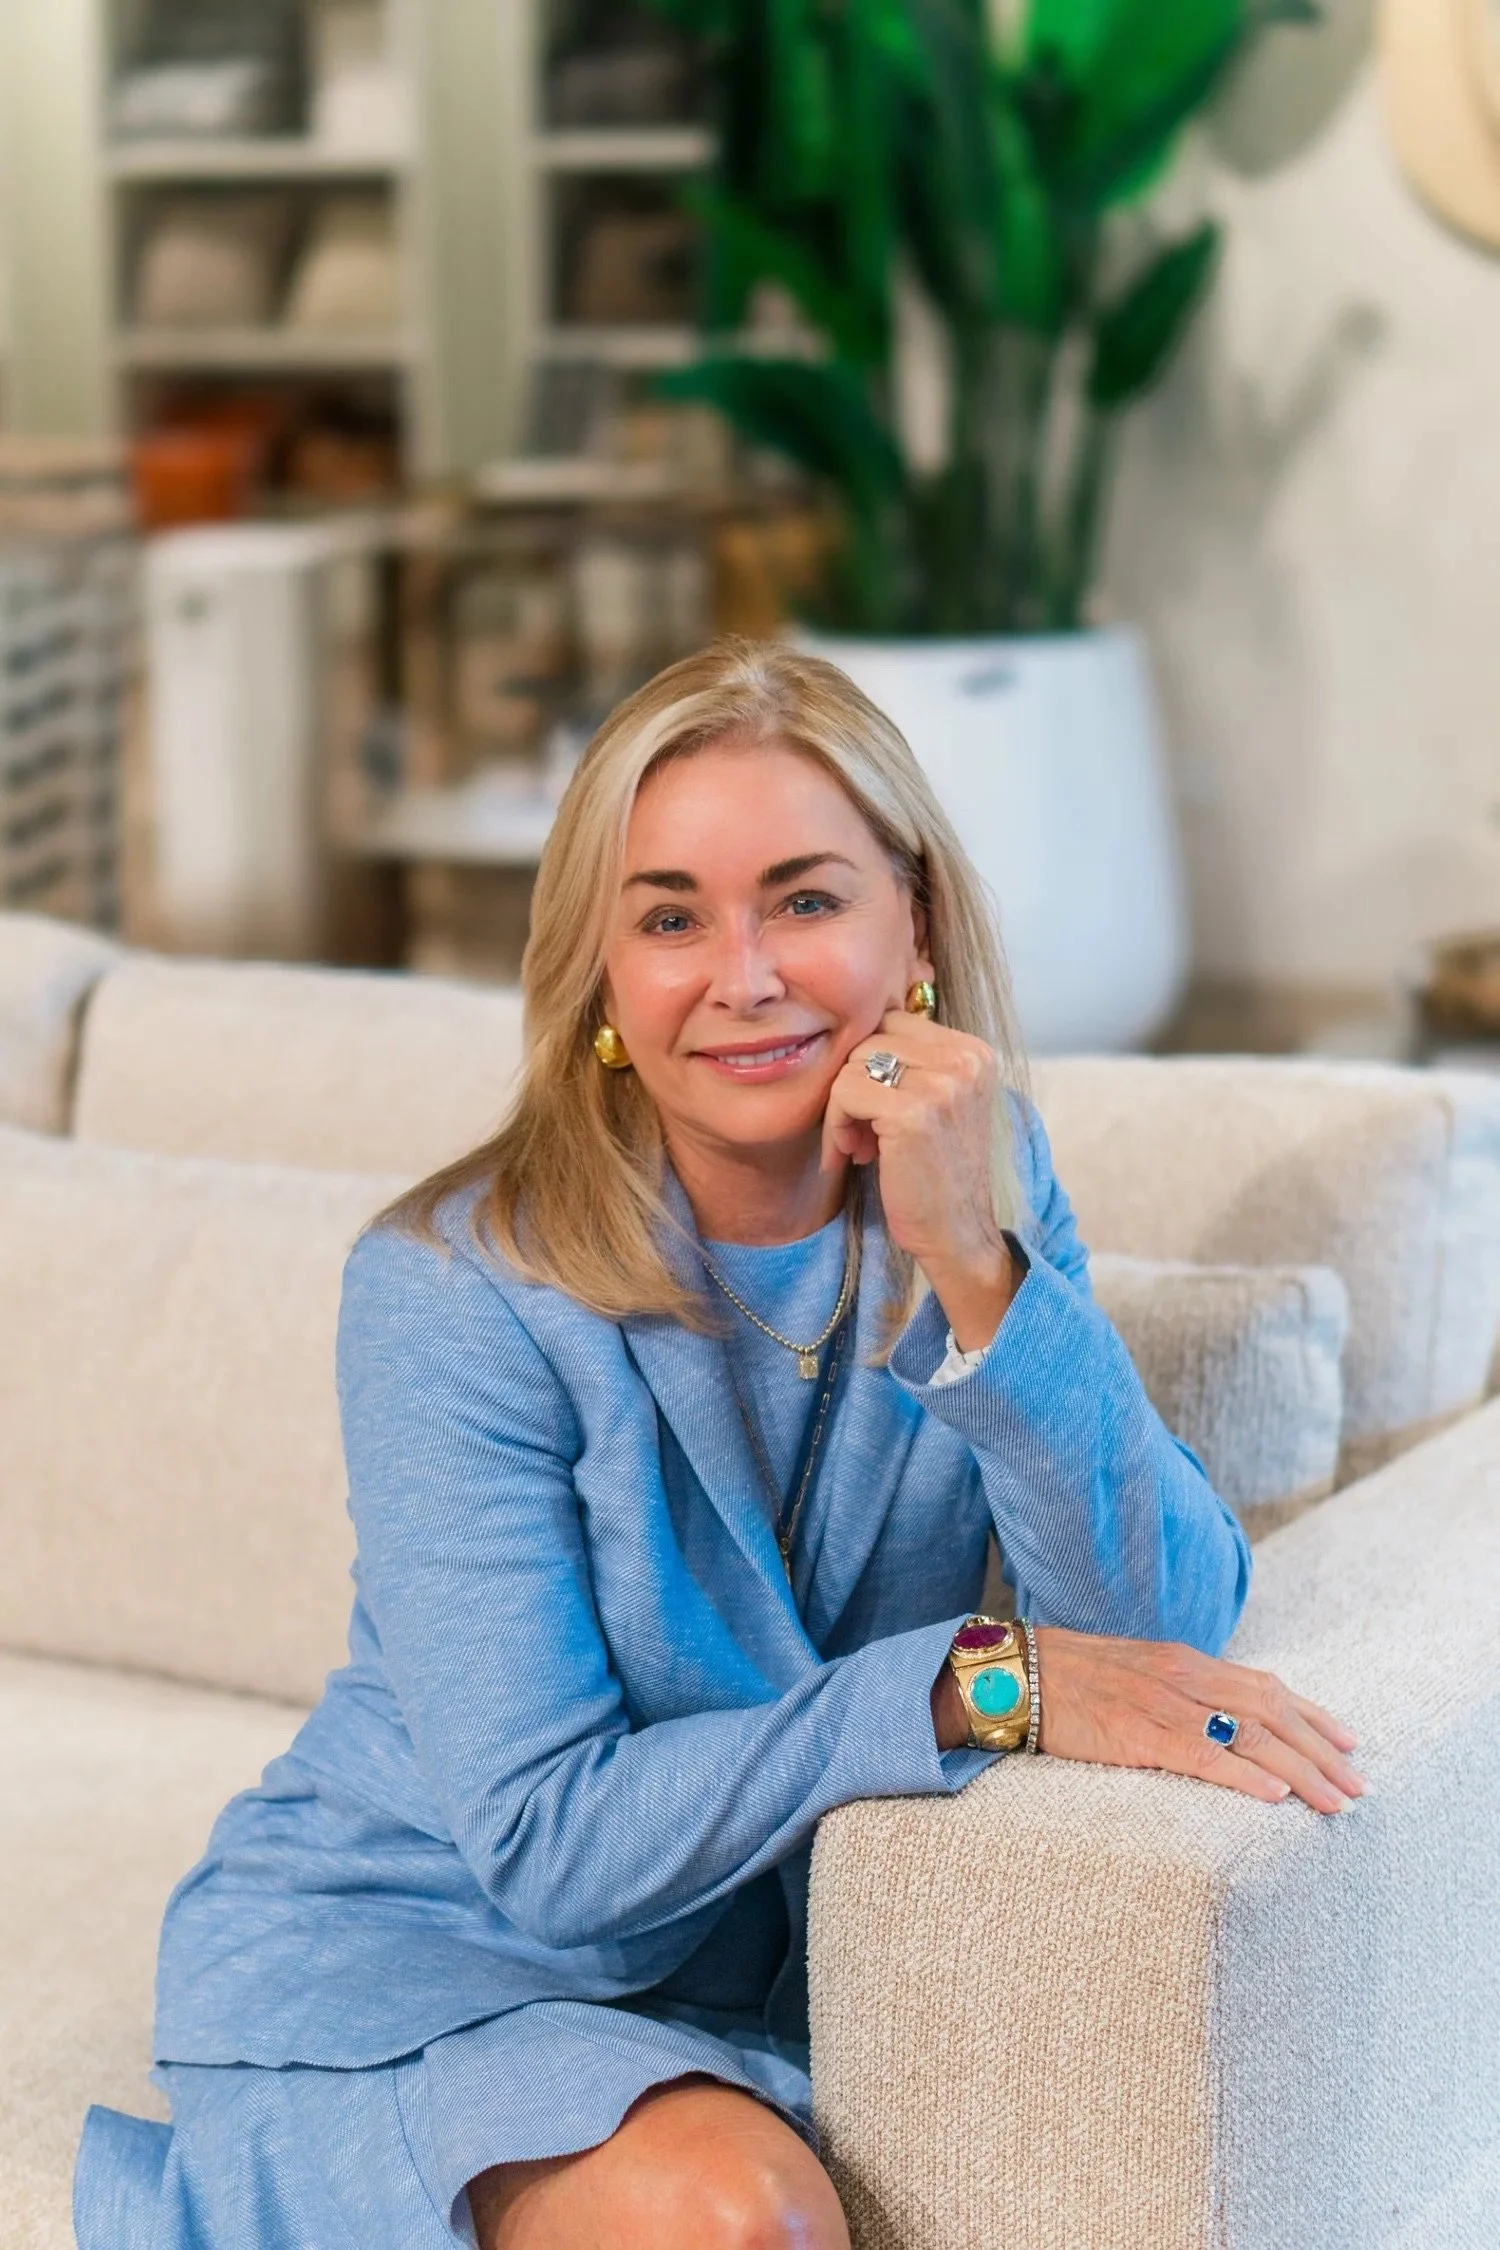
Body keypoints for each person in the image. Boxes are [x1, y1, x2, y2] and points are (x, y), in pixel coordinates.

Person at [74, 638, 1363, 2250]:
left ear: (919, 932)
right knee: (737, 2219)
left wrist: (979, 1264)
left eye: (807, 899)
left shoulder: (979, 1177)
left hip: (761, 1961)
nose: (742, 973)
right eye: (672, 915)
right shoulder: (453, 1291)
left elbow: (1156, 1625)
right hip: (434, 1942)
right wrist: (971, 1681)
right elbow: (547, 1841)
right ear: (602, 973)